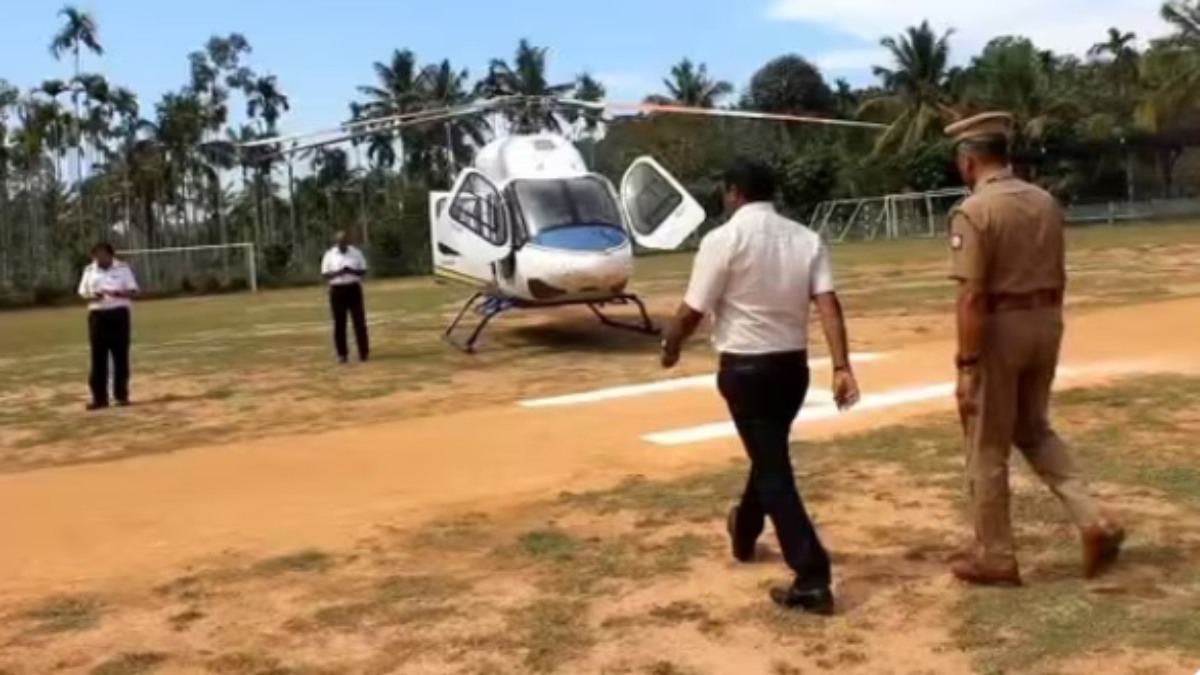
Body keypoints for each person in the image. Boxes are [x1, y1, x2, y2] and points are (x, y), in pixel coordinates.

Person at [660, 159, 860, 615]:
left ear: (734, 193)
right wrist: (841, 366)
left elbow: (692, 311)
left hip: (746, 370)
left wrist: (671, 346)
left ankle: (812, 576)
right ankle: (745, 530)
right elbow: (828, 304)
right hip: (792, 370)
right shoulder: (806, 238)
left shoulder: (722, 240)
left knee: (773, 469)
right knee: (768, 455)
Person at [945, 111, 1125, 586]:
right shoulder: (1045, 201)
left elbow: (971, 296)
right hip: (1046, 321)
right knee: (1034, 428)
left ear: (968, 160)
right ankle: (1093, 520)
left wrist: (966, 365)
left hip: (1000, 329)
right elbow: (1060, 272)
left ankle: (996, 556)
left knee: (986, 444)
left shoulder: (975, 210)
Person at [77, 242, 139, 410]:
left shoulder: (123, 268)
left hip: (119, 314)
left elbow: (134, 291)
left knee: (120, 355)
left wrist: (119, 293)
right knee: (98, 356)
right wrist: (93, 295)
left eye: (103, 254)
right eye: (96, 255)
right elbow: (82, 293)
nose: (99, 258)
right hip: (97, 316)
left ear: (111, 255)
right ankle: (99, 398)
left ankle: (121, 396)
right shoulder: (89, 270)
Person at [320, 230, 370, 364]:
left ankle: (363, 352)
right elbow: (325, 274)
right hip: (337, 290)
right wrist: (339, 272)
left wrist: (351, 271)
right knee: (339, 323)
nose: (342, 244)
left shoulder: (356, 253)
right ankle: (342, 354)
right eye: (340, 242)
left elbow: (363, 270)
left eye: (344, 242)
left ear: (348, 242)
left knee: (359, 321)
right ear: (336, 242)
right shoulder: (330, 255)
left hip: (353, 288)